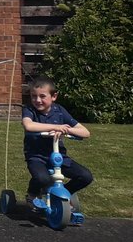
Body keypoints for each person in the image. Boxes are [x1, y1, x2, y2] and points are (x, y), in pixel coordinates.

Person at [21, 74, 93, 221]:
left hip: (59, 156)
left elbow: (85, 132)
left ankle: (64, 194)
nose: (37, 100)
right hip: (36, 156)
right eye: (34, 96)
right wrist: (57, 126)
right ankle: (32, 194)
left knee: (85, 176)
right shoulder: (29, 110)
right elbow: (29, 125)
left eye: (42, 96)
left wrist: (67, 130)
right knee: (42, 179)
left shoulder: (59, 111)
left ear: (54, 97)